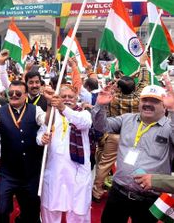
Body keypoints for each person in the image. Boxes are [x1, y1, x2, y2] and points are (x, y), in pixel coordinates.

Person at [91, 79, 174, 223]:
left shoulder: (169, 127)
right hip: (118, 193)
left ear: (164, 106)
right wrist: (100, 106)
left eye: (154, 101)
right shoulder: (127, 119)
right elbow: (100, 127)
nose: (148, 104)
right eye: (145, 100)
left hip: (149, 200)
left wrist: (173, 110)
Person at [0, 80, 53, 223]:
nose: (13, 95)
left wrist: (49, 104)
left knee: (31, 212)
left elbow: (47, 121)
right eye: (10, 93)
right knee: (1, 210)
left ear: (25, 95)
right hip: (8, 172)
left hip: (31, 173)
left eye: (18, 93)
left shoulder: (35, 110)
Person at [92, 55, 149, 202]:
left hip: (114, 136)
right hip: (132, 138)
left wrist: (125, 78)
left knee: (104, 165)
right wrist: (142, 65)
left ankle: (96, 191)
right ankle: (132, 188)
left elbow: (118, 86)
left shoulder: (113, 98)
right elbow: (144, 82)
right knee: (133, 164)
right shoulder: (138, 99)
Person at [39, 84, 93, 222]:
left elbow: (84, 123)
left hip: (78, 171)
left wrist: (62, 108)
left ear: (76, 98)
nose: (67, 99)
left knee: (78, 211)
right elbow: (40, 134)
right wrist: (42, 139)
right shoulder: (51, 116)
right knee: (51, 209)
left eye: (70, 97)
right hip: (55, 170)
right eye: (63, 97)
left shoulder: (83, 113)